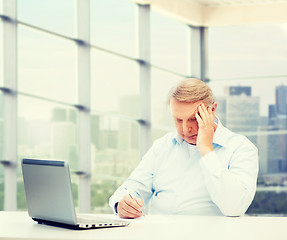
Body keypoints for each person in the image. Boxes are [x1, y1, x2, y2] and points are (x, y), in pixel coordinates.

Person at [109, 78, 259, 218]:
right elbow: (134, 186)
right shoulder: (163, 145)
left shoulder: (241, 148)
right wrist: (121, 204)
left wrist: (206, 150)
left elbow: (234, 208)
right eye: (178, 120)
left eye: (194, 119)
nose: (186, 129)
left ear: (212, 110)